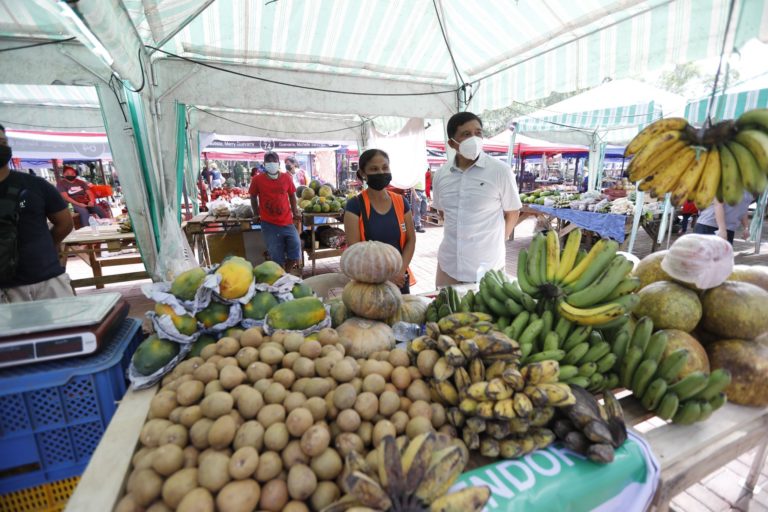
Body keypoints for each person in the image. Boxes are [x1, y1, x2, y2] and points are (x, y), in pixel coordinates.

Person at [432, 112, 522, 287]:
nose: (474, 138)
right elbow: (443, 213)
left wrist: (495, 242)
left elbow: (513, 213)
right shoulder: (441, 175)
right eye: (466, 134)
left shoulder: (500, 171)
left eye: (478, 132)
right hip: (448, 265)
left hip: (486, 269)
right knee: (447, 312)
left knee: (483, 314)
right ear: (452, 143)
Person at [0, 125, 75, 303]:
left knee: (65, 330)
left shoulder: (35, 185)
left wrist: (47, 247)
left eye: (3, 142)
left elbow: (64, 223)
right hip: (4, 289)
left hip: (47, 281)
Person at [343, 149, 416, 293]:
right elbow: (356, 252)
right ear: (363, 173)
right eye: (374, 169)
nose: (381, 172)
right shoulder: (355, 205)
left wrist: (399, 272)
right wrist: (385, 277)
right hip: (370, 284)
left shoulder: (401, 202)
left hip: (400, 280)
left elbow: (411, 240)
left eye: (385, 167)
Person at [249, 151, 302, 273]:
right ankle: (280, 275)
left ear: (278, 163)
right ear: (264, 164)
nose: (272, 163)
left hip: (287, 222)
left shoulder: (286, 178)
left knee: (295, 249)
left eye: (274, 161)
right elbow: (253, 197)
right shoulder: (257, 179)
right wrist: (256, 214)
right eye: (269, 161)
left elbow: (292, 195)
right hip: (269, 224)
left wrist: (295, 211)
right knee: (276, 256)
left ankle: (285, 273)